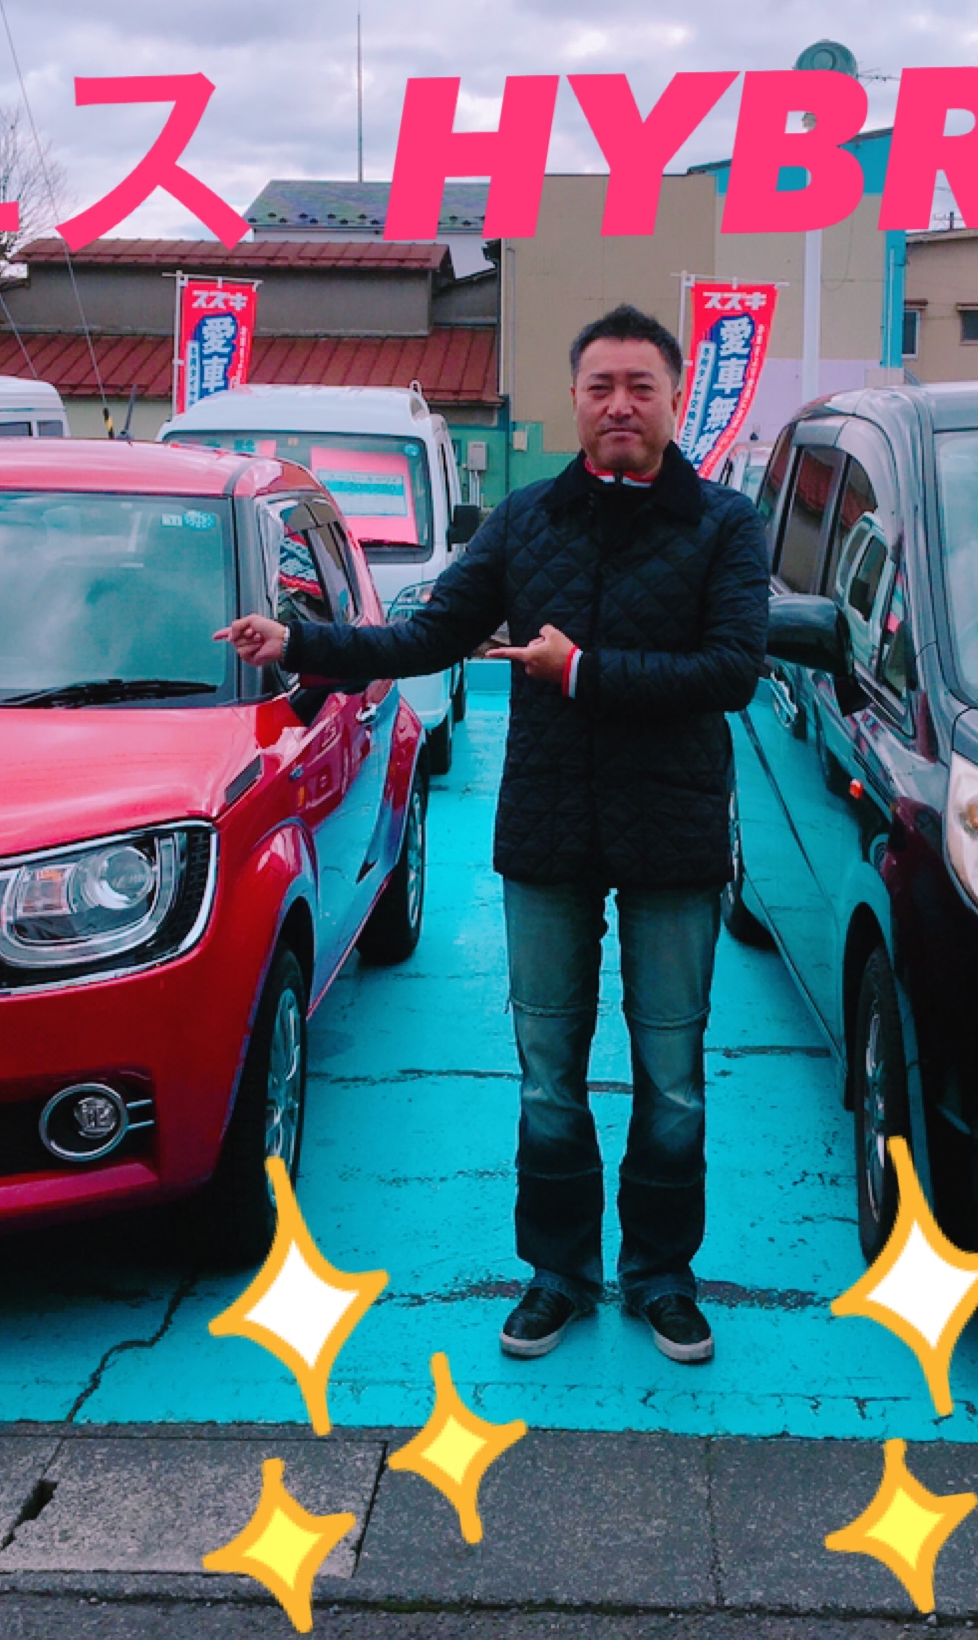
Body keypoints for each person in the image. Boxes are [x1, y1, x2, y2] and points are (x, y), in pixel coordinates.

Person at [217, 304, 769, 1365]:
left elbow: (731, 669)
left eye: (640, 387)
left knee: (672, 1074)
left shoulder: (724, 526)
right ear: (575, 400)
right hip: (549, 832)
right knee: (548, 1071)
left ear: (672, 400)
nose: (619, 404)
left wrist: (583, 672)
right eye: (601, 386)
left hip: (675, 834)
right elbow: (428, 635)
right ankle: (557, 1273)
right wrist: (301, 642)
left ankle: (661, 1275)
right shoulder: (524, 522)